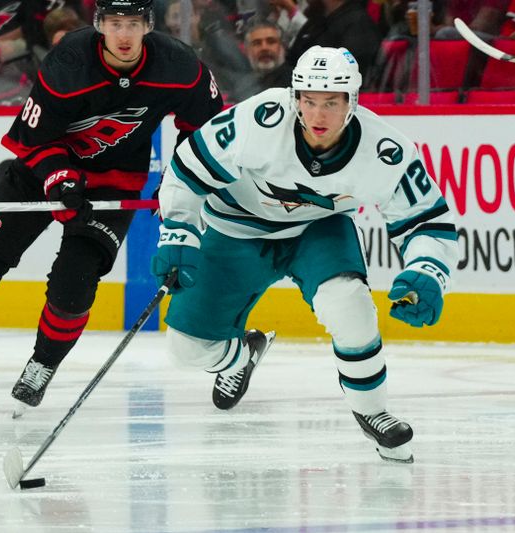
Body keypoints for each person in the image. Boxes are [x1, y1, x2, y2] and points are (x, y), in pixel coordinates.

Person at [0, 0, 223, 414]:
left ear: (148, 24)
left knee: (73, 287)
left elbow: (204, 128)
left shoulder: (179, 66)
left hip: (112, 183)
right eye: (116, 24)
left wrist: (180, 183)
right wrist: (59, 176)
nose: (125, 35)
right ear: (100, 25)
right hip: (39, 172)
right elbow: (33, 137)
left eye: (134, 23)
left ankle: (42, 364)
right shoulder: (69, 62)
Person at [150, 46, 458, 463]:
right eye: (309, 101)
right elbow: (186, 171)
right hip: (235, 226)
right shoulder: (260, 120)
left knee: (349, 305)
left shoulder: (384, 149)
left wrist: (427, 270)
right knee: (185, 350)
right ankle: (242, 355)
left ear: (352, 102)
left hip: (316, 229)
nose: (318, 115)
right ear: (294, 97)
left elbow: (427, 221)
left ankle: (373, 412)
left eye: (331, 103)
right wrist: (179, 232)